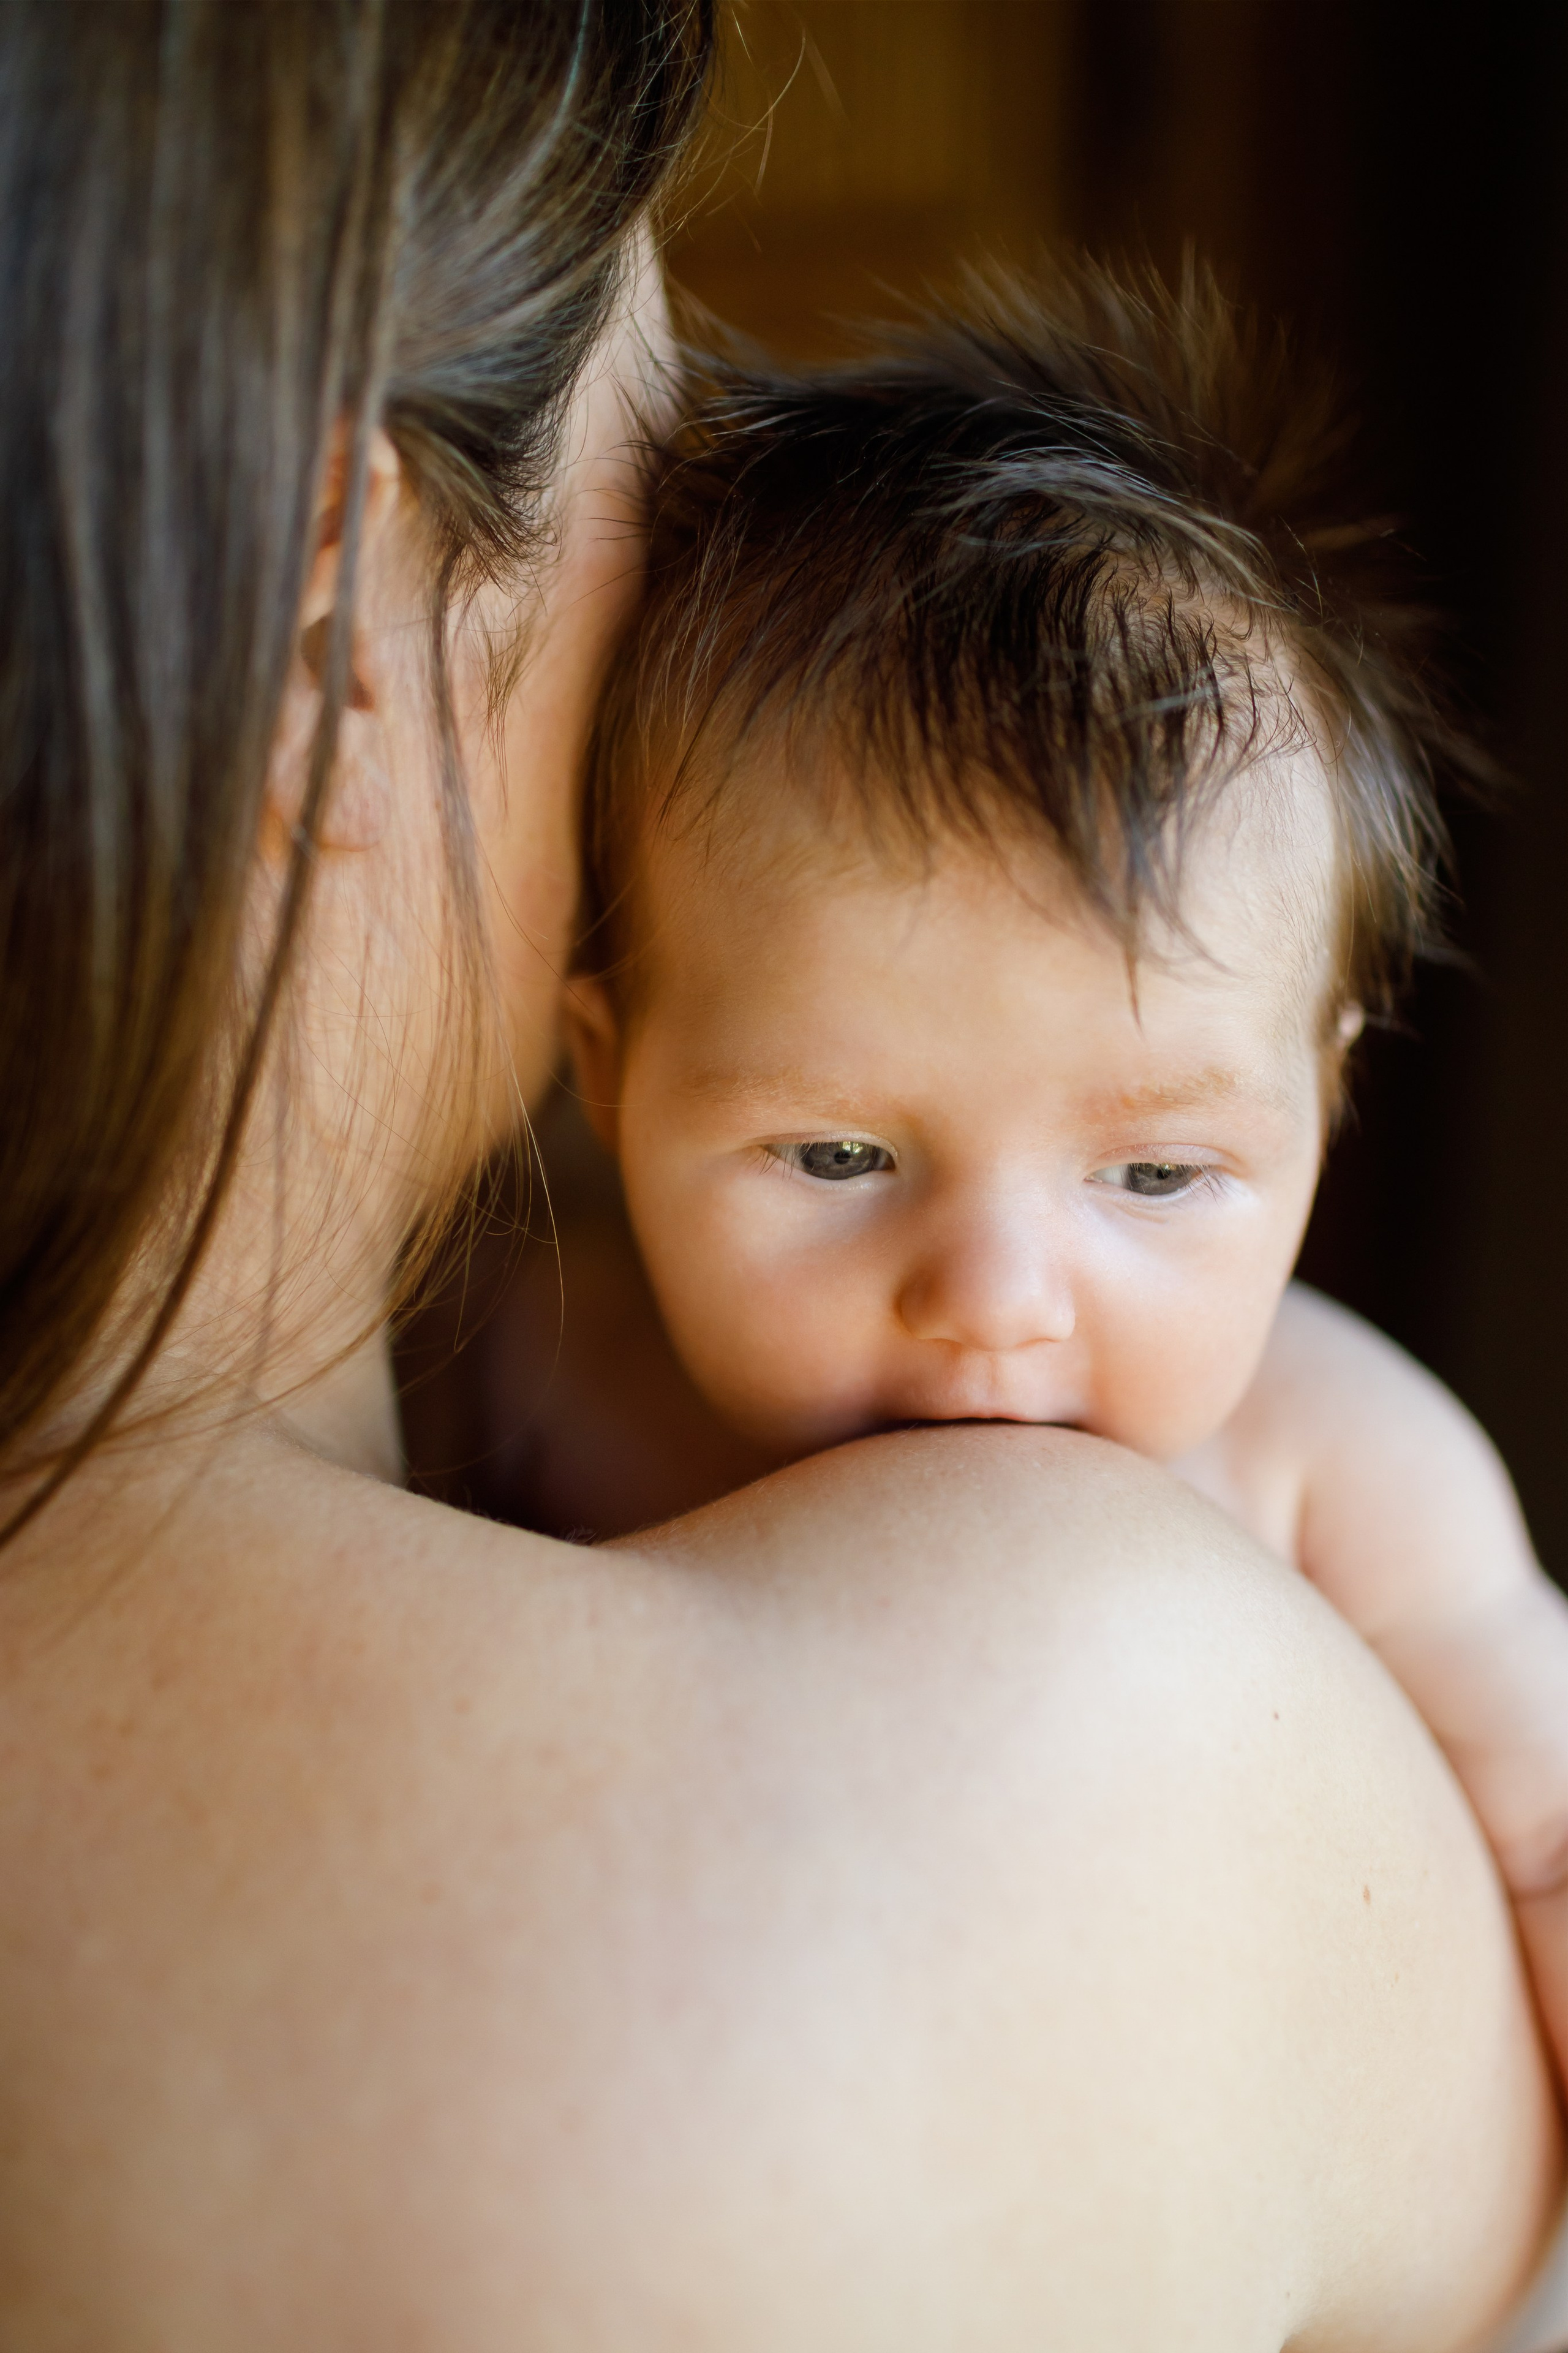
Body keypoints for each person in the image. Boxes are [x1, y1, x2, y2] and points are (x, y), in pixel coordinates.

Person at [0, 7, 1558, 2347]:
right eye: (674, 400)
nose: (1001, 1298)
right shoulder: (1062, 1738)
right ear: (338, 606)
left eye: (1157, 1166)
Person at [552, 270, 1568, 2100]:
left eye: (1159, 1171)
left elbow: (1557, 1828)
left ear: (1324, 1094)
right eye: (842, 1152)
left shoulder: (1341, 1470)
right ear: (608, 1078)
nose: (999, 1289)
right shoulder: (548, 1383)